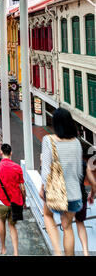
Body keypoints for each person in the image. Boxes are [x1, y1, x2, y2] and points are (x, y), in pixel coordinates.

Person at [39, 108, 83, 256]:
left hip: (56, 192)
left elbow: (45, 172)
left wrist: (43, 188)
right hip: (74, 194)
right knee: (68, 227)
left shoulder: (48, 140)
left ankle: (57, 251)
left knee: (47, 215)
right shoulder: (76, 143)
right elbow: (79, 172)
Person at [0, 143, 26, 256]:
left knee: (1, 222)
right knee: (12, 226)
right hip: (15, 202)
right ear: (11, 153)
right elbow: (22, 188)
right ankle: (16, 252)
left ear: (0, 153)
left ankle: (3, 248)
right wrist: (24, 201)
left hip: (1, 201)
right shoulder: (18, 167)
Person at [75, 156, 96, 256]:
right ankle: (86, 252)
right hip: (81, 197)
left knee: (66, 226)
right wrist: (91, 195)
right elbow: (94, 184)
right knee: (80, 223)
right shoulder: (83, 164)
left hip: (67, 197)